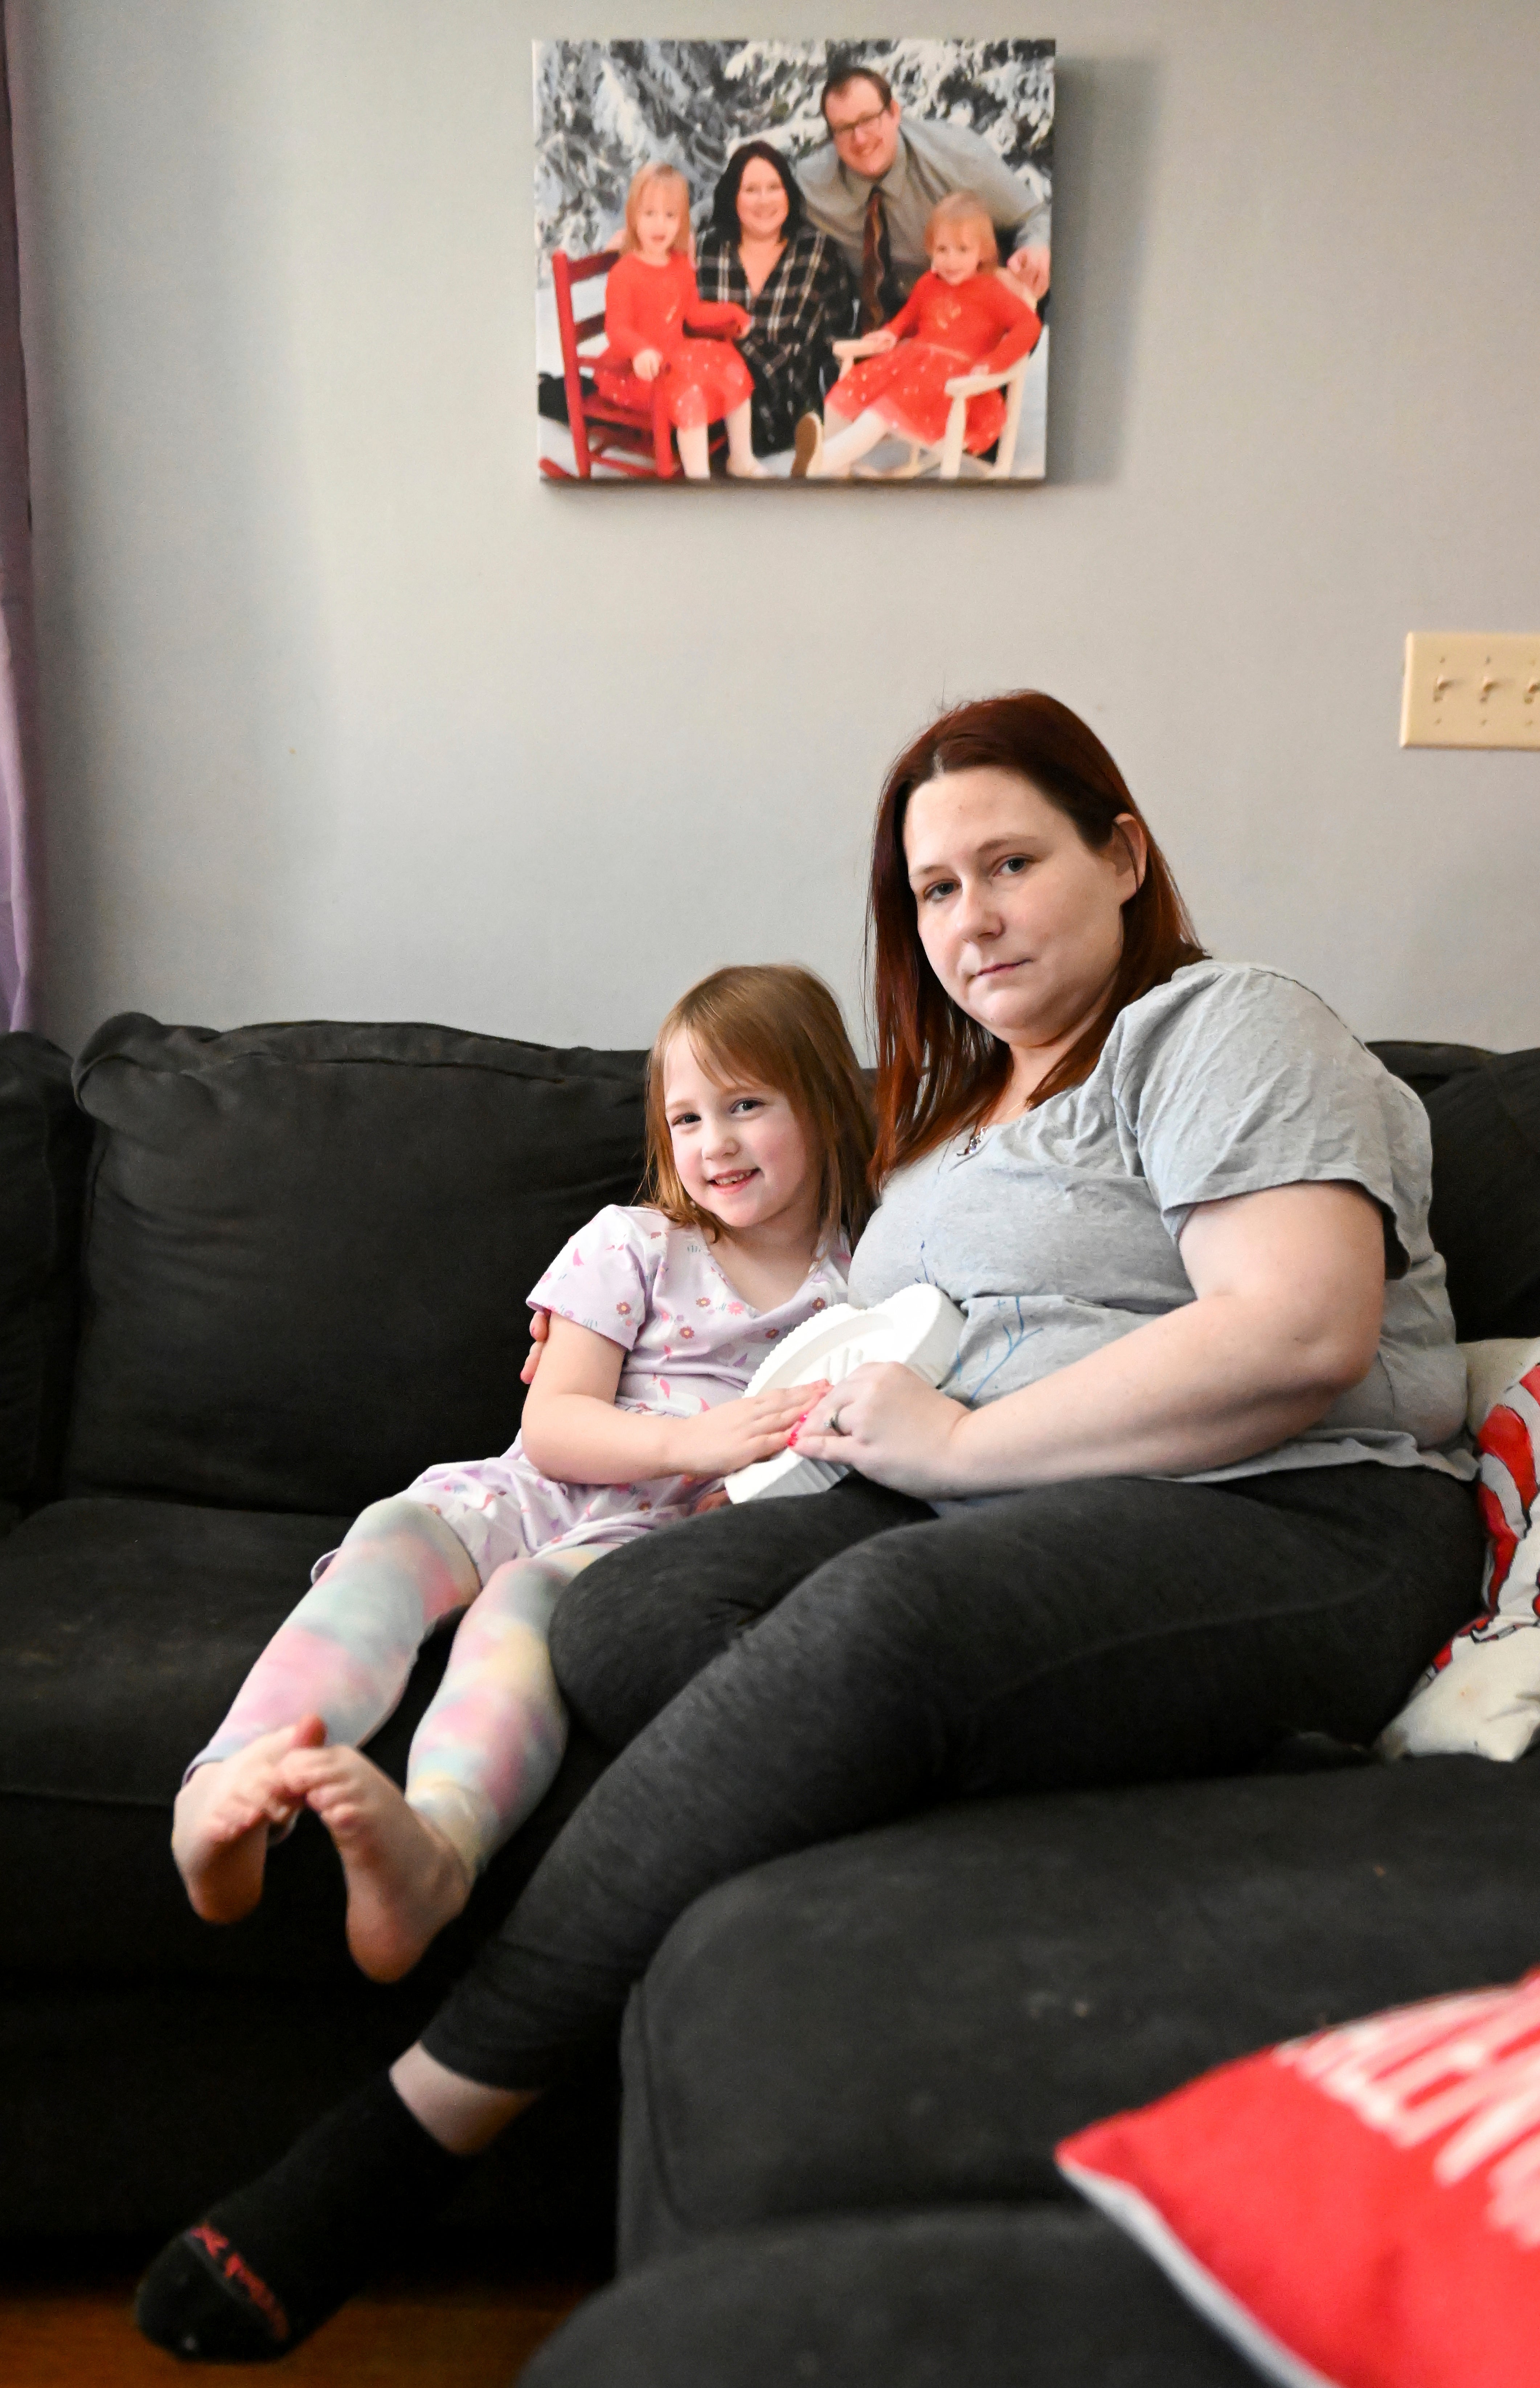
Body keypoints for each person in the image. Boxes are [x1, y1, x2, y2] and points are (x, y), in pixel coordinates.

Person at [137, 694, 1484, 2364]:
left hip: (1282, 1506)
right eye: (932, 887)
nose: (970, 915)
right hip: (948, 1499)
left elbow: (1297, 1330)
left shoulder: (1221, 1022)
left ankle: (412, 2122)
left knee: (888, 1627)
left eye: (1012, 860)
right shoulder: (952, 1113)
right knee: (616, 1617)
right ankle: (1142, 1742)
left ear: (1122, 856)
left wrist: (968, 1438)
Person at [167, 964, 864, 1990]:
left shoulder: (862, 1286)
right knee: (389, 1540)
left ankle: (434, 1852)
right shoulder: (633, 1243)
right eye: (686, 1116)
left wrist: (755, 1488)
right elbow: (554, 1427)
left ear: (826, 1104)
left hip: (648, 1547)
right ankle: (226, 1787)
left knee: (523, 1612)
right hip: (537, 1487)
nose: (712, 1142)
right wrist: (698, 1439)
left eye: (747, 1105)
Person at [792, 190, 1041, 479]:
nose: (951, 261)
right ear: (931, 248)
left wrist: (995, 362)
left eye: (963, 250)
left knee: (882, 411)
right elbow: (910, 316)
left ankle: (821, 461)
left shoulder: (993, 291)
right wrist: (891, 333)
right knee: (845, 393)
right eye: (943, 250)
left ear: (983, 251)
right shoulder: (928, 284)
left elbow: (1029, 326)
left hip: (951, 384)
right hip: (911, 366)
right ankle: (831, 463)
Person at [798, 61, 1051, 330]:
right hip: (893, 321)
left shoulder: (957, 158)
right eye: (844, 128)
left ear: (894, 113)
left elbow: (1034, 215)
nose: (859, 139)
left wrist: (1035, 247)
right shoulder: (812, 186)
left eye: (868, 120)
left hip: (977, 308)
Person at [593, 162, 763, 480]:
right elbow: (617, 329)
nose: (660, 225)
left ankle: (742, 458)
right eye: (650, 214)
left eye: (670, 216)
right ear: (633, 217)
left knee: (733, 367)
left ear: (682, 221)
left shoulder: (679, 265)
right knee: (691, 395)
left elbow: (693, 314)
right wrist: (641, 350)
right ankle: (698, 478)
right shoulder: (625, 273)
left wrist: (730, 312)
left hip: (675, 355)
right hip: (636, 371)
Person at [693, 141, 856, 458]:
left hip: (793, 420)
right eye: (751, 190)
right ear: (733, 197)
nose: (764, 201)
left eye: (774, 187)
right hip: (713, 420)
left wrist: (845, 418)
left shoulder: (818, 253)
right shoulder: (707, 250)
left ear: (788, 194)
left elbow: (838, 342)